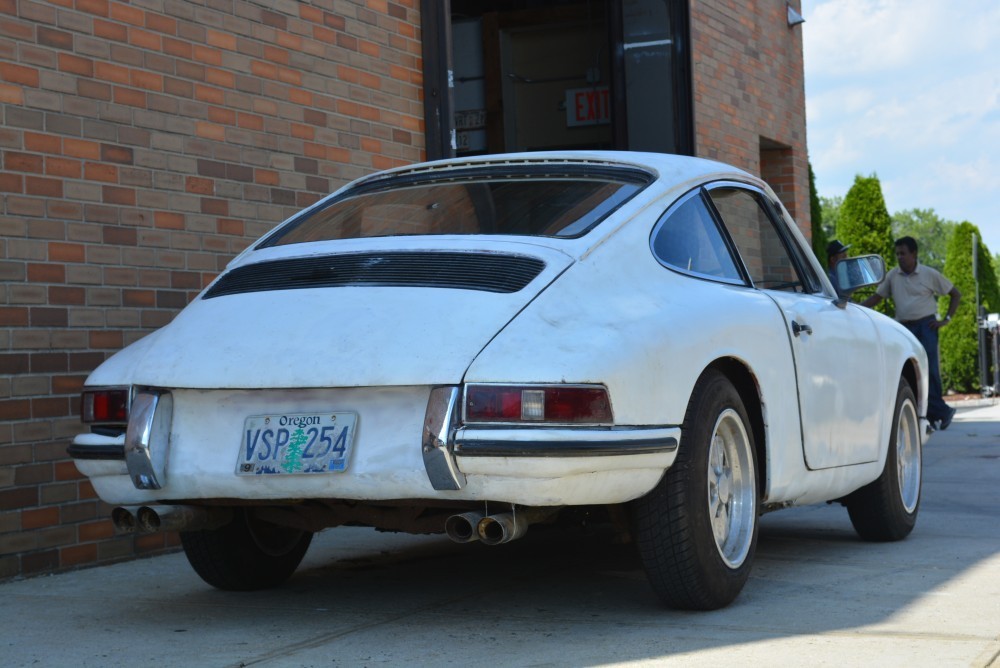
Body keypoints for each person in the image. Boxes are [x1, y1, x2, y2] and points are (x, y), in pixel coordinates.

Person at [862, 236, 961, 430]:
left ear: (914, 254)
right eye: (897, 254)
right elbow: (877, 297)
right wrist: (855, 307)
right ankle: (934, 414)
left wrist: (946, 320)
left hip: (926, 327)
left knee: (930, 370)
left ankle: (938, 412)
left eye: (903, 253)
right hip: (904, 329)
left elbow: (955, 293)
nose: (900, 257)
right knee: (909, 372)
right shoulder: (893, 276)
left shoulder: (928, 274)